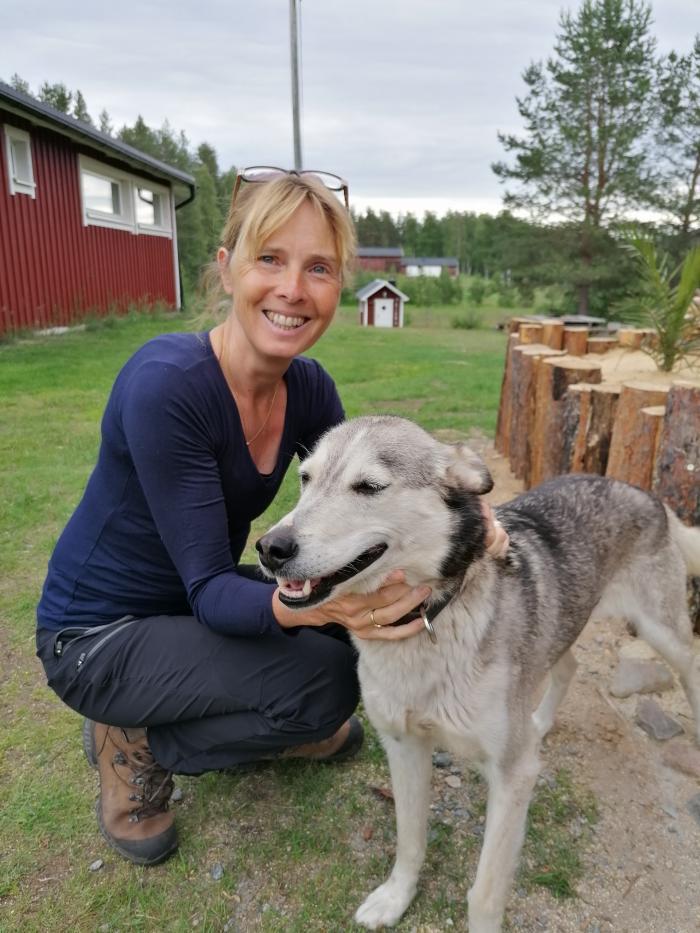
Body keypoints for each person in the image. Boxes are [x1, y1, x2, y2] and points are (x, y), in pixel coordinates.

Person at [36, 167, 508, 868]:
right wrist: (334, 612)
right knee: (325, 676)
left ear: (336, 288)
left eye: (317, 267)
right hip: (102, 634)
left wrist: (468, 517)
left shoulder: (307, 388)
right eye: (270, 258)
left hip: (192, 611)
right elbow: (211, 591)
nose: (293, 288)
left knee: (343, 662)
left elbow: (362, 508)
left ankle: (212, 699)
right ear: (226, 270)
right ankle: (135, 741)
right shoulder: (167, 385)